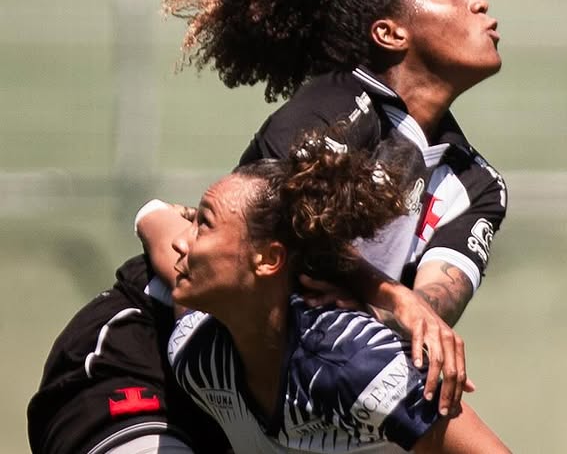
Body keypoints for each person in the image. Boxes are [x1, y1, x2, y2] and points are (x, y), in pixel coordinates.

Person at [28, 0, 507, 454]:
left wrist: (403, 310)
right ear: (390, 33)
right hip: (147, 360)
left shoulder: (476, 185)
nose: (477, 1)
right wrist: (391, 297)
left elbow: (430, 313)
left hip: (264, 402)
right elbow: (267, 234)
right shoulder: (339, 105)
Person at [134, 132, 511, 453]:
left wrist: (390, 294)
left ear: (269, 259)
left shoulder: (357, 363)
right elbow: (154, 220)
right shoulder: (197, 354)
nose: (181, 242)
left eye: (204, 224)